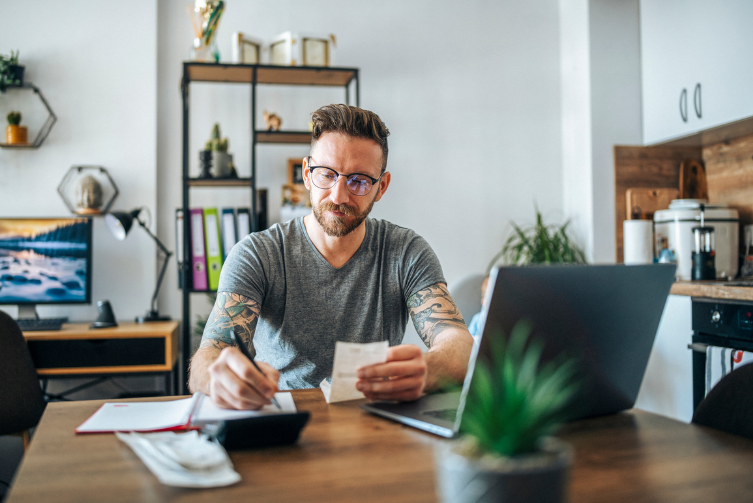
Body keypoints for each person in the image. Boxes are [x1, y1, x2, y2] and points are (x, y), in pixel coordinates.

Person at [189, 104, 474, 410]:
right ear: (306, 174)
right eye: (327, 174)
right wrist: (220, 378)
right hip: (284, 420)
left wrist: (428, 371)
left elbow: (459, 345)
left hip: (376, 424)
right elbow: (209, 357)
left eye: (359, 180)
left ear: (382, 187)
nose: (338, 196)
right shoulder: (259, 254)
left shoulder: (406, 252)